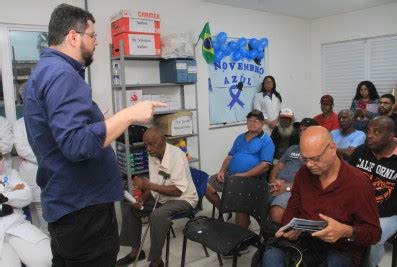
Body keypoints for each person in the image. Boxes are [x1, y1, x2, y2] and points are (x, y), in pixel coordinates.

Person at [23, 4, 165, 266]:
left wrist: (101, 120)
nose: (97, 42)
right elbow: (76, 144)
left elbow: (59, 132)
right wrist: (129, 115)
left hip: (67, 206)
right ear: (73, 37)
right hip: (83, 212)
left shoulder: (43, 71)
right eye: (92, 35)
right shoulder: (62, 74)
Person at [263, 126, 381, 266]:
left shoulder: (358, 183)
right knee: (271, 255)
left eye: (315, 159)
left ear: (332, 148)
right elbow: (293, 208)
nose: (309, 165)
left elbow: (374, 233)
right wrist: (292, 227)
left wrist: (346, 231)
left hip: (340, 247)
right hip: (306, 240)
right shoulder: (303, 174)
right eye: (305, 159)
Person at [116, 127, 198, 267]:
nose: (148, 148)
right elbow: (158, 183)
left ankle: (156, 261)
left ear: (163, 141)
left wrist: (147, 185)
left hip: (183, 199)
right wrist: (142, 199)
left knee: (157, 216)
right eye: (146, 145)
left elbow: (178, 191)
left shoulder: (177, 155)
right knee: (130, 206)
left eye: (152, 144)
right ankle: (136, 252)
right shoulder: (153, 155)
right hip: (163, 197)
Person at [205, 109, 275, 229]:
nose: (252, 123)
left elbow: (265, 166)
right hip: (232, 175)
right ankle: (225, 210)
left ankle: (241, 234)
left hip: (252, 180)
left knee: (239, 204)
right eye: (249, 120)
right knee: (206, 186)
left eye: (256, 121)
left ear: (262, 123)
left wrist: (243, 175)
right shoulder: (240, 137)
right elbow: (230, 156)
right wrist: (222, 170)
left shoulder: (266, 141)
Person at [349, 116, 397, 267]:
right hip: (357, 207)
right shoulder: (361, 151)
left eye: (377, 132)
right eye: (368, 130)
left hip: (388, 213)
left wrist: (369, 213)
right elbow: (348, 180)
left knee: (374, 237)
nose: (370, 135)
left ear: (391, 136)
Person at [0, 150, 52, 265]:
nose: (1, 161)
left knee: (46, 259)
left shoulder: (11, 174)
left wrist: (5, 197)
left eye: (0, 156)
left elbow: (27, 195)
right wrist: (13, 197)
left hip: (16, 224)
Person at [268, 118, 319, 223]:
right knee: (247, 204)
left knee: (276, 213)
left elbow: (311, 181)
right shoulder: (292, 148)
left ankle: (277, 238)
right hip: (276, 185)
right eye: (300, 130)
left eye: (306, 130)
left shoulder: (316, 153)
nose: (301, 133)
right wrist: (273, 181)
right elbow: (276, 168)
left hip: (293, 189)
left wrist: (287, 187)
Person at [13, 117, 48, 234]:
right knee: (39, 207)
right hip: (32, 171)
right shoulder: (19, 124)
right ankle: (45, 236)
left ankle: (49, 235)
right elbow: (22, 150)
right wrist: (46, 156)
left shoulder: (46, 119)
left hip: (51, 170)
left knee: (50, 206)